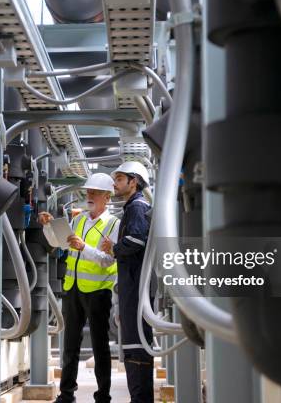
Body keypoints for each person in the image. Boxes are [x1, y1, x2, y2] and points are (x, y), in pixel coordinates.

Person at [38, 173, 120, 403]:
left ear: (107, 196)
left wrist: (83, 247)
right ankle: (66, 395)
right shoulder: (79, 220)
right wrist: (48, 227)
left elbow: (108, 260)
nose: (90, 196)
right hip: (73, 288)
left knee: (100, 345)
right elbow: (59, 244)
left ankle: (103, 396)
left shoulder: (114, 224)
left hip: (98, 291)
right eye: (88, 191)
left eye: (95, 192)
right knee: (70, 344)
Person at [102, 161, 154, 403]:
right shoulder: (134, 207)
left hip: (136, 287)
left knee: (136, 344)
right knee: (134, 343)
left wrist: (113, 248)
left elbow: (136, 242)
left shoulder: (137, 207)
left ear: (134, 182)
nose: (115, 183)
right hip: (133, 286)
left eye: (120, 179)